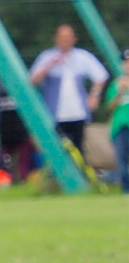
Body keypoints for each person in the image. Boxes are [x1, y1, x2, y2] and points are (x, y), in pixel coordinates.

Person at [29, 25, 110, 156]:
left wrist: (94, 95)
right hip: (55, 114)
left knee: (79, 148)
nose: (65, 40)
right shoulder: (47, 56)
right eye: (62, 37)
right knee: (56, 149)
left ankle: (79, 174)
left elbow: (100, 75)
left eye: (68, 37)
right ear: (55, 39)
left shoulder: (82, 56)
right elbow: (33, 80)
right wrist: (49, 66)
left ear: (74, 39)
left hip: (78, 113)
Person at [109, 49, 129, 193]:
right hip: (120, 127)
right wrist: (120, 91)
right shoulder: (116, 84)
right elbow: (109, 108)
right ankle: (125, 190)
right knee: (122, 161)